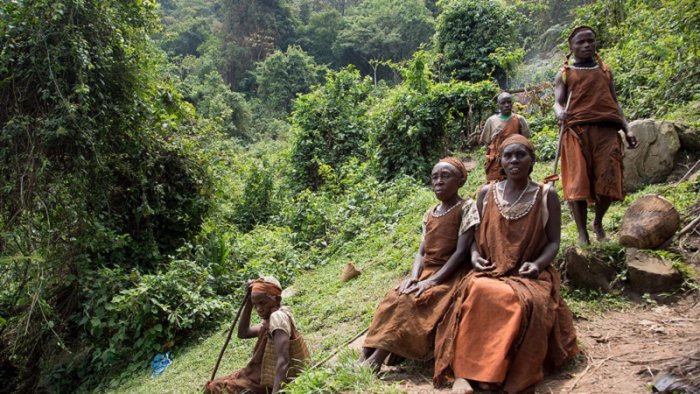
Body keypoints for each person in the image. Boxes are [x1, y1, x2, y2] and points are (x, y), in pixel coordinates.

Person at [433, 135, 578, 394]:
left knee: (515, 300)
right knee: (477, 291)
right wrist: (476, 257)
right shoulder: (487, 193)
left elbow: (554, 242)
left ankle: (493, 375)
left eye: (520, 155)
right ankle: (464, 374)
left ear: (532, 161)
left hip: (528, 274)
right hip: (490, 270)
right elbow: (476, 237)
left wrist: (537, 265)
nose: (513, 160)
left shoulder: (546, 195)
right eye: (508, 155)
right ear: (500, 160)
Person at [360, 157, 480, 370]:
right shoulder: (430, 213)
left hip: (451, 275)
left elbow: (461, 252)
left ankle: (376, 360)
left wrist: (432, 281)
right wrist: (415, 277)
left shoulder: (466, 207)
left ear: (461, 181)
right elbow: (422, 251)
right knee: (393, 296)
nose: (439, 181)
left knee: (413, 301)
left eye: (446, 176)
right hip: (428, 273)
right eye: (435, 177)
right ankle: (366, 354)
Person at [554, 25, 638, 244]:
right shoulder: (565, 74)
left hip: (607, 132)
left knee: (609, 181)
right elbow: (557, 102)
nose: (586, 45)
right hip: (576, 132)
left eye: (590, 41)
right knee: (577, 184)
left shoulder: (605, 71)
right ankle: (582, 232)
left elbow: (615, 103)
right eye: (580, 42)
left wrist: (627, 129)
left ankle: (598, 222)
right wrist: (560, 112)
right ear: (571, 48)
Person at [205, 277, 308, 394]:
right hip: (258, 375)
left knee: (213, 387)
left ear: (277, 299)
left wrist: (276, 392)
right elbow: (243, 333)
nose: (259, 309)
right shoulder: (268, 322)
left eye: (262, 303)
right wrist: (249, 301)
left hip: (267, 382)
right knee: (217, 382)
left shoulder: (278, 318)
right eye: (255, 305)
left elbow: (283, 360)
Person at [481, 92, 531, 182]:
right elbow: (487, 142)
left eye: (509, 102)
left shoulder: (519, 119)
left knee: (518, 180)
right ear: (498, 105)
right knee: (495, 183)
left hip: (515, 156)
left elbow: (525, 141)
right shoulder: (491, 121)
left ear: (512, 103)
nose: (506, 105)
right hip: (497, 159)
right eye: (503, 103)